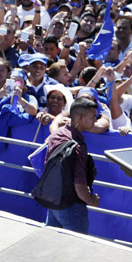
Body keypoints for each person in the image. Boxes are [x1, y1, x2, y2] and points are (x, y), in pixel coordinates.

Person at [44, 97, 100, 234]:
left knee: (49, 247)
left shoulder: (57, 134)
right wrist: (91, 200)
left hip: (53, 203)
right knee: (77, 252)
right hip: (72, 207)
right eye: (93, 117)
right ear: (80, 118)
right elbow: (79, 184)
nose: (95, 120)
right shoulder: (78, 146)